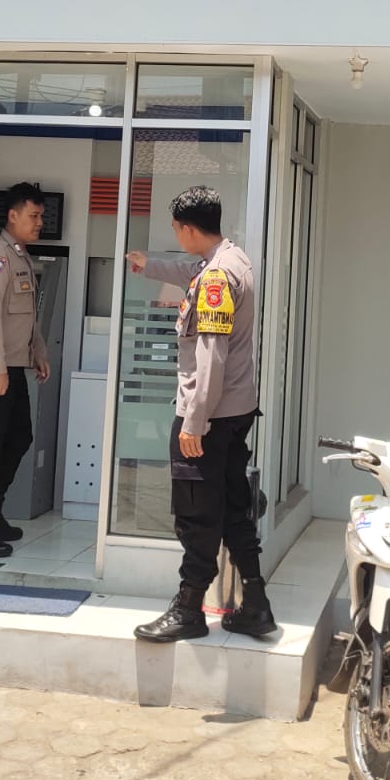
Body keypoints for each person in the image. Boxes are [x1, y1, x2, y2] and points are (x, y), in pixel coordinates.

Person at [125, 186, 276, 642]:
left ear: (188, 229)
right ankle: (256, 604)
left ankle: (189, 609)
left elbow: (211, 353)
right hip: (233, 411)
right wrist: (149, 264)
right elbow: (185, 269)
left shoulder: (215, 279)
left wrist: (194, 422)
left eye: (176, 229)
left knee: (196, 514)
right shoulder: (230, 259)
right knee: (232, 508)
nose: (177, 236)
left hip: (208, 414)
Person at [0, 181, 51, 558]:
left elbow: (27, 316)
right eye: (33, 216)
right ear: (13, 216)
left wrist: (39, 351)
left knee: (19, 438)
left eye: (41, 216)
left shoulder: (20, 257)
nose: (39, 223)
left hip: (14, 367)